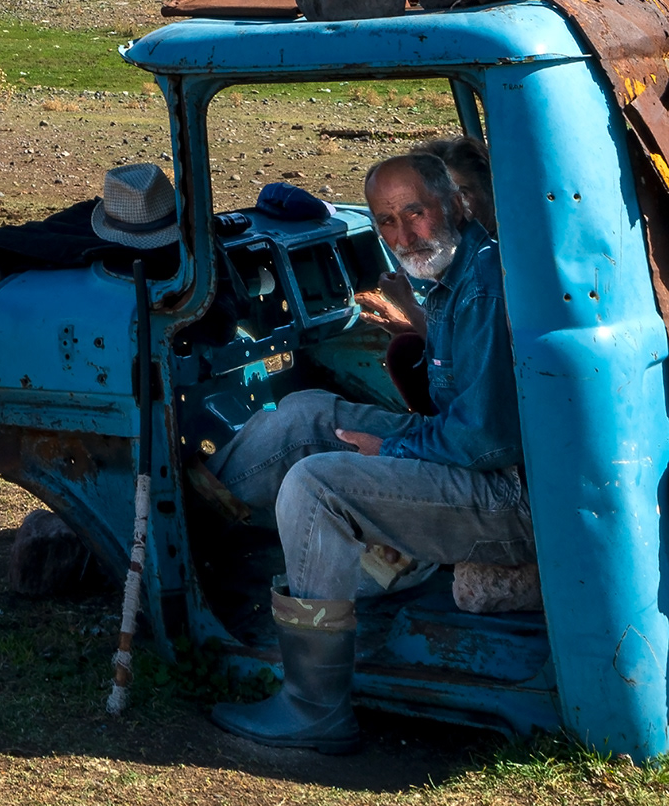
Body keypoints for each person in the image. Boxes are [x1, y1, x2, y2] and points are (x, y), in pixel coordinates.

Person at [205, 148, 529, 753]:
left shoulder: (482, 288)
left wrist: (394, 446)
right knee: (306, 414)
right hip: (481, 469)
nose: (404, 233)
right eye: (387, 221)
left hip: (510, 498)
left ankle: (313, 707)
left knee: (315, 484)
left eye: (417, 213)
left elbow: (485, 439)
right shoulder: (451, 277)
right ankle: (196, 522)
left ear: (454, 204)